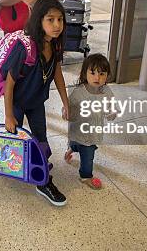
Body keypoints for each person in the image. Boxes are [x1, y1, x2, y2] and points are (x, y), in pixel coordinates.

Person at [1, 0, 69, 206]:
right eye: (50, 20)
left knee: (40, 138)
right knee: (15, 138)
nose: (56, 25)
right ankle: (13, 165)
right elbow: (9, 84)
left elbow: (57, 73)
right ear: (39, 20)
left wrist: (66, 103)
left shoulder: (55, 45)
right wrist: (9, 115)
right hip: (17, 102)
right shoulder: (25, 47)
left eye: (60, 19)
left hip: (37, 101)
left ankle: (43, 181)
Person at [64, 53, 116, 190]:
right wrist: (66, 112)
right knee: (87, 156)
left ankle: (71, 149)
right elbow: (68, 106)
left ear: (107, 76)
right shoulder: (78, 92)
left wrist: (112, 112)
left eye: (102, 74)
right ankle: (86, 175)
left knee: (83, 148)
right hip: (78, 129)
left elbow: (110, 107)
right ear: (84, 73)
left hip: (93, 132)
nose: (97, 78)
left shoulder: (107, 92)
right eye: (92, 73)